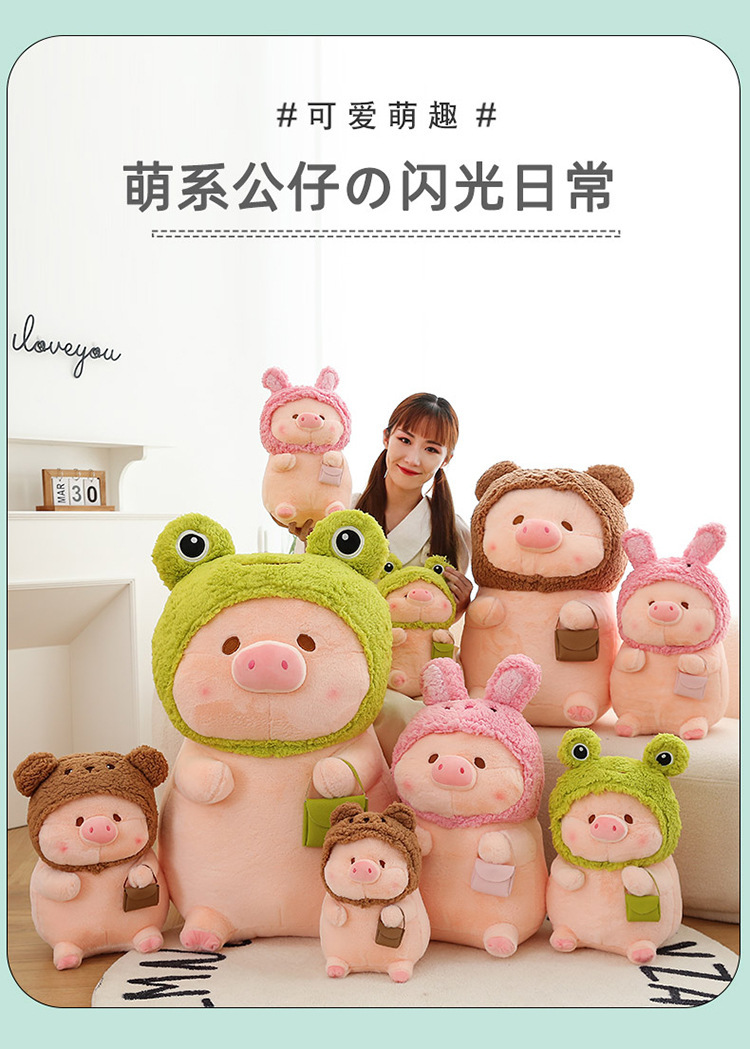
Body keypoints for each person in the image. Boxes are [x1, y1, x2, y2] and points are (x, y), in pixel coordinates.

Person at [355, 392, 473, 618]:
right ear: (386, 437)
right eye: (405, 440)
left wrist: (459, 607)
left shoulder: (455, 533)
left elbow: (438, 625)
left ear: (446, 459)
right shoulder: (345, 509)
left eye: (431, 449)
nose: (412, 459)